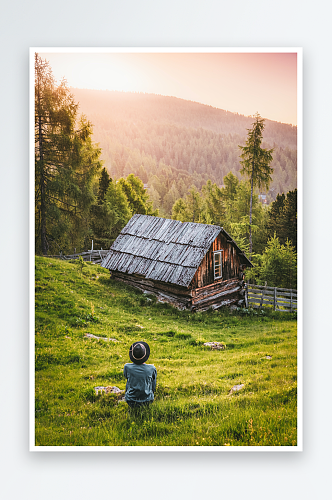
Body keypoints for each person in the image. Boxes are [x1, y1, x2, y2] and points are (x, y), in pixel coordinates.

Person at [123, 341, 157, 408]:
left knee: (130, 381)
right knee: (152, 381)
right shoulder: (152, 368)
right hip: (147, 401)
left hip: (131, 401)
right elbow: (153, 385)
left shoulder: (127, 367)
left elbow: (126, 377)